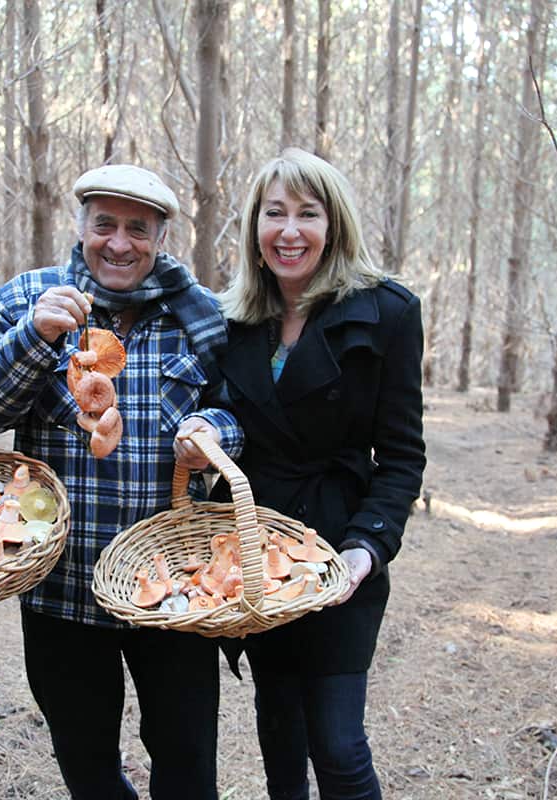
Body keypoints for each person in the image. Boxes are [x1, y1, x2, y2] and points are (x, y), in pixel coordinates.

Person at [0, 164, 242, 800]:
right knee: (86, 765)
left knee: (188, 763)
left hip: (174, 584)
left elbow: (237, 413)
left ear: (160, 238)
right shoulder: (28, 299)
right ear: (80, 226)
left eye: (138, 229)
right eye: (104, 224)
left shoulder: (199, 314)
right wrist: (35, 336)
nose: (119, 243)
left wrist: (213, 431)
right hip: (64, 587)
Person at [214, 147, 425, 800]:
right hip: (258, 554)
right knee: (279, 733)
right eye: (274, 213)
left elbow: (402, 456)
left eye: (308, 213)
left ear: (333, 225)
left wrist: (368, 546)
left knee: (337, 743)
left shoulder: (387, 313)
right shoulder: (231, 320)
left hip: (340, 553)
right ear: (254, 226)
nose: (289, 231)